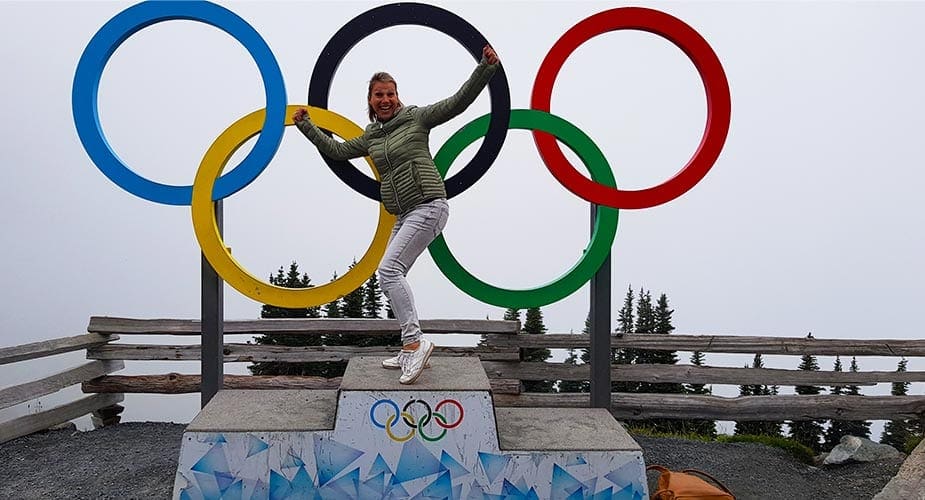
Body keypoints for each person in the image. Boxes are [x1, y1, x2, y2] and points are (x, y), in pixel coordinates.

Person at [292, 45, 500, 384]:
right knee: (387, 275)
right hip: (404, 214)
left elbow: (457, 101)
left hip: (429, 205)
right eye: (378, 95)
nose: (385, 99)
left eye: (390, 93)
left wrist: (485, 68)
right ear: (371, 101)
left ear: (398, 96)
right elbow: (338, 151)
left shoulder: (416, 118)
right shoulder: (372, 136)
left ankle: (415, 344)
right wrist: (307, 126)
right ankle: (409, 347)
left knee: (388, 271)